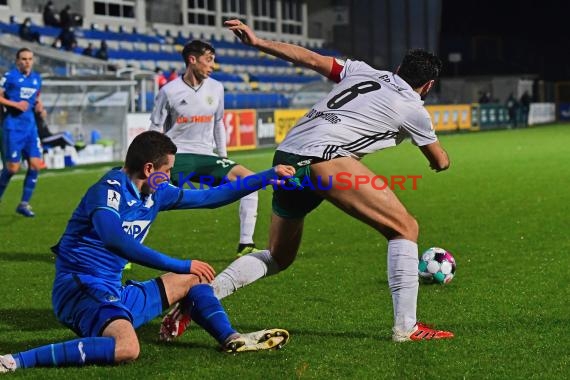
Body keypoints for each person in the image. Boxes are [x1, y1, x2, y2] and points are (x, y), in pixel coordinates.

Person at [160, 19, 454, 343]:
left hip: (286, 156)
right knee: (405, 228)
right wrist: (439, 157)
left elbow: (309, 58)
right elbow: (439, 160)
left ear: (398, 68)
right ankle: (406, 327)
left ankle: (199, 298)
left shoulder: (360, 70)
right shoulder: (414, 108)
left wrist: (258, 43)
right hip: (326, 158)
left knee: (277, 256)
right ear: (427, 86)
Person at [0, 131, 294, 373]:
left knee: (196, 278)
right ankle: (14, 361)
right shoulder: (108, 190)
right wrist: (179, 263)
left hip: (113, 291)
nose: (170, 177)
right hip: (80, 289)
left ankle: (231, 339)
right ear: (150, 169)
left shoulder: (157, 192)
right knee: (127, 347)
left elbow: (209, 196)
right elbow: (115, 240)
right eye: (168, 170)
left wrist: (266, 176)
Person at [149, 40, 261, 258]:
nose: (213, 65)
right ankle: (122, 253)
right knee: (144, 192)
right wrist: (154, 160)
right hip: (177, 155)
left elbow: (218, 122)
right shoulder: (168, 91)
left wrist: (223, 157)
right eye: (208, 60)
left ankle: (245, 245)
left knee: (250, 181)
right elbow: (155, 127)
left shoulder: (216, 88)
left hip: (207, 157)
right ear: (192, 60)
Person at [0, 48, 43, 217]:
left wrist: (40, 106)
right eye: (23, 59)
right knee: (12, 169)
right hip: (13, 127)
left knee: (35, 165)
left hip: (30, 128)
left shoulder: (36, 79)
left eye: (30, 59)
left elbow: (37, 97)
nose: (27, 62)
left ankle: (24, 204)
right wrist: (15, 104)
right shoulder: (9, 77)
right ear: (17, 61)